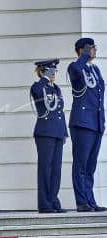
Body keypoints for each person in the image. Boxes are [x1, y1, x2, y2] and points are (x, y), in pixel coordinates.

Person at [68, 38, 107, 212]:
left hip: (96, 123)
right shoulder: (76, 67)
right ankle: (82, 201)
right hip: (82, 123)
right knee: (81, 164)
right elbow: (76, 69)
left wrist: (102, 122)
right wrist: (83, 56)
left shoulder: (95, 69)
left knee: (90, 166)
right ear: (82, 50)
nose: (95, 50)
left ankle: (90, 200)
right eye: (92, 48)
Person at [30, 59, 67, 213]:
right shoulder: (38, 86)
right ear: (42, 71)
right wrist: (44, 77)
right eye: (50, 71)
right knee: (46, 168)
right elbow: (38, 92)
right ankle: (45, 204)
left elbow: (60, 112)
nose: (53, 74)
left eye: (54, 71)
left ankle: (53, 201)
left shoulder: (56, 89)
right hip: (45, 132)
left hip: (57, 132)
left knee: (56, 169)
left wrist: (64, 133)